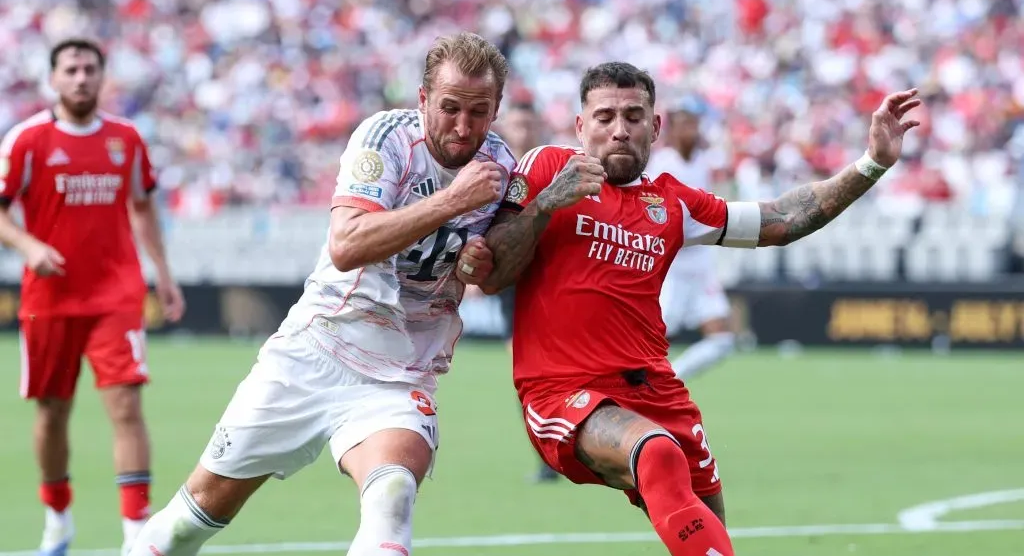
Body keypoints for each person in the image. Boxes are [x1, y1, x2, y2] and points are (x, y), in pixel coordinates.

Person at [458, 62, 921, 555]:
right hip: (563, 391)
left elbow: (784, 218)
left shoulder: (672, 203)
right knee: (656, 453)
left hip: (658, 390)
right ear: (580, 126)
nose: (619, 129)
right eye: (605, 116)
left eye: (634, 116)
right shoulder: (547, 166)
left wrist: (872, 162)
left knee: (709, 527)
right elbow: (493, 274)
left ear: (655, 127)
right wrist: (547, 203)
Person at [128, 31, 515, 556]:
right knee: (189, 522)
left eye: (479, 111)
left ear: (496, 110)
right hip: (316, 349)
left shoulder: (502, 166)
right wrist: (451, 202)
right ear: (423, 99)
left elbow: (493, 276)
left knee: (393, 494)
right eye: (449, 108)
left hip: (400, 372)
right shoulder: (386, 138)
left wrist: (486, 259)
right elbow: (347, 244)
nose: (463, 127)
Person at [0, 39, 185, 556]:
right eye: (71, 69)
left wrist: (164, 275)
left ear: (103, 78)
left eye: (89, 69)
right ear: (53, 79)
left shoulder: (126, 139)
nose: (81, 78)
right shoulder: (27, 141)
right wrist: (28, 244)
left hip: (115, 294)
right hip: (49, 297)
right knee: (52, 412)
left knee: (126, 405)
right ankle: (58, 520)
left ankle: (135, 535)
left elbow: (144, 207)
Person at [487, 96, 561, 484]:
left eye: (528, 125)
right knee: (526, 375)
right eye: (516, 125)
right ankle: (547, 457)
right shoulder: (496, 170)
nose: (522, 132)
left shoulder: (550, 167)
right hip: (513, 287)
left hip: (551, 281)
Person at [646, 97, 736, 380]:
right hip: (671, 267)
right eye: (685, 123)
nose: (691, 129)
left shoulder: (703, 162)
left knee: (723, 340)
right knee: (647, 341)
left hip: (701, 264)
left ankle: (670, 379)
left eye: (694, 123)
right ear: (672, 129)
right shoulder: (661, 165)